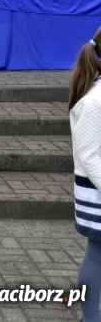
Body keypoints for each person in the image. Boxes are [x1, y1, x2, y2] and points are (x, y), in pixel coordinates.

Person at [68, 29, 101, 322]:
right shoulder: (95, 101)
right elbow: (89, 155)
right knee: (97, 255)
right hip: (97, 194)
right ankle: (90, 318)